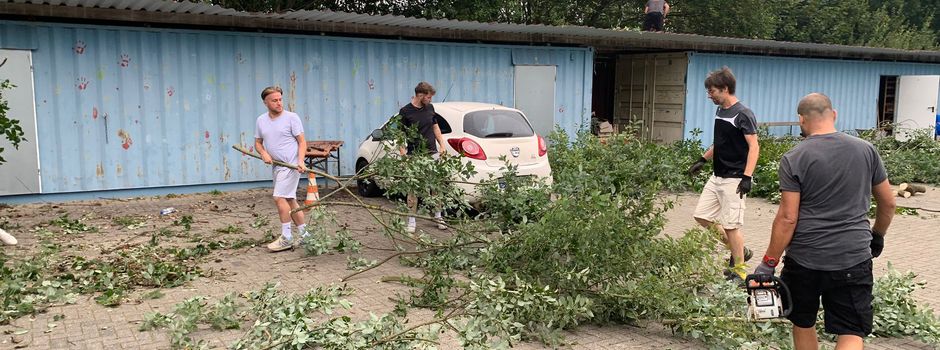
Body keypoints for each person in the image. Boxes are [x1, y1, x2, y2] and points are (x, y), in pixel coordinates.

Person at [752, 93, 895, 350]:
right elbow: (889, 203)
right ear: (834, 114)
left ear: (801, 120)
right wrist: (878, 234)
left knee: (803, 323)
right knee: (851, 330)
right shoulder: (866, 150)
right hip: (853, 256)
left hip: (805, 260)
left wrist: (768, 262)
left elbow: (787, 217)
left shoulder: (794, 157)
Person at [688, 67, 760, 281]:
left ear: (725, 89)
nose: (709, 95)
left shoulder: (743, 114)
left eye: (712, 91)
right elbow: (721, 142)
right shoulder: (721, 111)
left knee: (731, 226)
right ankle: (741, 251)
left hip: (735, 179)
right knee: (701, 216)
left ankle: (739, 270)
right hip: (717, 176)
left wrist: (747, 177)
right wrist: (702, 159)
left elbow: (754, 147)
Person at [254, 86, 308, 252]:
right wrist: (263, 153)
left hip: (290, 165)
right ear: (265, 102)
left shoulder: (292, 118)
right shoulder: (261, 120)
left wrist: (301, 161)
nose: (279, 103)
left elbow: (302, 142)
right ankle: (306, 236)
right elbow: (257, 143)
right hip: (278, 167)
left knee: (279, 198)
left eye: (280, 99)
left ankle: (286, 237)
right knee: (290, 200)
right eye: (274, 100)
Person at [398, 82, 448, 233]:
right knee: (413, 189)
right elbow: (400, 134)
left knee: (436, 187)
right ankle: (411, 220)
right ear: (420, 95)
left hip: (432, 153)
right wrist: (403, 154)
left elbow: (435, 126)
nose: (430, 99)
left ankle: (438, 216)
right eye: (429, 97)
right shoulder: (405, 111)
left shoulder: (430, 108)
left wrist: (442, 145)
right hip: (414, 156)